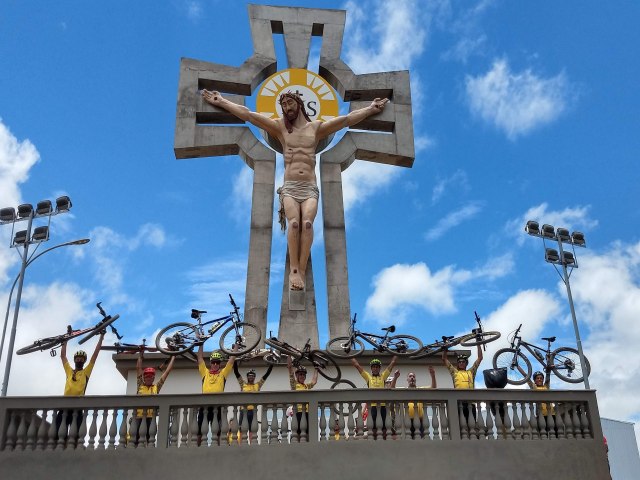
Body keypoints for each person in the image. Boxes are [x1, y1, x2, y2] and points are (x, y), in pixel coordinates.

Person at [202, 89, 388, 291]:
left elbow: (346, 120)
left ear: (299, 104)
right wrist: (221, 101)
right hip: (290, 186)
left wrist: (370, 109)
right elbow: (248, 115)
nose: (286, 108)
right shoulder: (280, 127)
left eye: (290, 103)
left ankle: (301, 268)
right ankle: (294, 270)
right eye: (283, 105)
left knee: (307, 224)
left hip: (309, 187)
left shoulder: (315, 128)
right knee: (294, 224)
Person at [56, 330, 105, 437]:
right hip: (64, 405)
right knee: (57, 433)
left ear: (84, 361)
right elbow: (63, 356)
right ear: (74, 360)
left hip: (77, 407)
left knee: (77, 435)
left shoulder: (86, 372)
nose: (79, 360)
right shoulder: (69, 371)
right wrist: (65, 341)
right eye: (77, 359)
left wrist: (101, 337)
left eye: (81, 359)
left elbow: (94, 356)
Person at [196, 344, 236, 446]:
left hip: (217, 406)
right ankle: (197, 449)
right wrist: (201, 343)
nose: (215, 364)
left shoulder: (222, 374)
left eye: (217, 362)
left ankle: (218, 450)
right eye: (213, 362)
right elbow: (199, 358)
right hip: (204, 406)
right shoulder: (205, 372)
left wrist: (236, 348)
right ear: (210, 363)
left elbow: (231, 361)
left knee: (218, 431)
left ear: (219, 364)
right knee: (199, 431)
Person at [134, 350, 175, 445]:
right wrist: (140, 355)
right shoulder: (140, 385)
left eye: (151, 377)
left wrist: (173, 357)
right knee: (135, 440)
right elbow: (138, 368)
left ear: (153, 378)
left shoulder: (156, 387)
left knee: (150, 441)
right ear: (144, 377)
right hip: (138, 417)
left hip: (150, 418)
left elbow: (167, 372)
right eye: (147, 376)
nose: (149, 378)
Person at [350, 356, 398, 438]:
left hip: (383, 406)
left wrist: (398, 353)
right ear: (371, 369)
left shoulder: (383, 376)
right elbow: (357, 365)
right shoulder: (368, 377)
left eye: (377, 367)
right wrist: (349, 355)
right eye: (374, 367)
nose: (375, 368)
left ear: (379, 368)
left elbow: (392, 363)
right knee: (373, 429)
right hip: (373, 407)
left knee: (385, 429)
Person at [233, 362, 273, 444]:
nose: (250, 377)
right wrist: (235, 360)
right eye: (249, 376)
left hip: (252, 411)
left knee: (252, 429)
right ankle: (241, 444)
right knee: (241, 429)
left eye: (252, 376)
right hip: (243, 410)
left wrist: (271, 364)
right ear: (247, 377)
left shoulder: (257, 385)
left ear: (254, 377)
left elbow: (266, 375)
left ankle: (251, 444)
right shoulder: (243, 384)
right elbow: (236, 372)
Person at [442, 346, 482, 421]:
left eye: (463, 362)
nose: (461, 363)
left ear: (466, 363)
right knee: (461, 426)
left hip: (471, 403)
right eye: (459, 362)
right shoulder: (455, 372)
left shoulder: (471, 372)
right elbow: (444, 359)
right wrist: (445, 350)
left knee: (472, 427)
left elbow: (480, 358)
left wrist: (478, 344)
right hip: (459, 403)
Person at [287, 356, 319, 437]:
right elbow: (290, 371)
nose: (302, 376)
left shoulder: (306, 386)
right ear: (297, 375)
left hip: (308, 412)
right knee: (298, 434)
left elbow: (314, 381)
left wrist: (316, 368)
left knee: (308, 434)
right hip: (299, 413)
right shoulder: (294, 385)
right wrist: (289, 355)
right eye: (300, 374)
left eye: (304, 375)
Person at [404, 366, 437, 438]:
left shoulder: (421, 389)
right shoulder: (404, 390)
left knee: (421, 440)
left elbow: (433, 388)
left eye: (413, 376)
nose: (412, 377)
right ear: (407, 379)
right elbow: (393, 389)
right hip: (408, 421)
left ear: (415, 379)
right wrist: (395, 378)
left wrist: (433, 376)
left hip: (420, 420)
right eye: (410, 376)